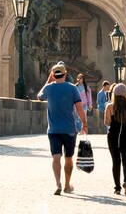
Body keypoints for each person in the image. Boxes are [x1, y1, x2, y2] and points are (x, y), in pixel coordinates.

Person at [36, 60, 88, 195]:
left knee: (56, 158)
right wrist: (84, 123)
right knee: (68, 158)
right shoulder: (72, 88)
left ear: (53, 75)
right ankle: (66, 184)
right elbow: (79, 107)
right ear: (65, 74)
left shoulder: (49, 88)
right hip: (69, 129)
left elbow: (39, 97)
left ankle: (58, 183)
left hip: (53, 130)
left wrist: (49, 80)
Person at [105, 82, 126, 196]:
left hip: (113, 136)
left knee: (116, 162)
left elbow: (107, 122)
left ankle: (117, 188)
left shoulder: (110, 106)